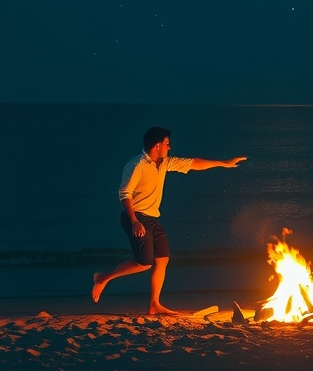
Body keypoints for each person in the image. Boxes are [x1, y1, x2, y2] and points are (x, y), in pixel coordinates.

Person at [92, 126, 247, 314]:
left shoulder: (164, 163)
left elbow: (193, 163)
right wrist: (134, 221)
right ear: (157, 146)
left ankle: (154, 304)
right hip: (136, 217)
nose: (169, 147)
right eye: (167, 144)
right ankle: (104, 277)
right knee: (144, 263)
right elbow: (124, 194)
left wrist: (224, 163)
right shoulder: (137, 165)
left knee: (162, 259)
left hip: (152, 218)